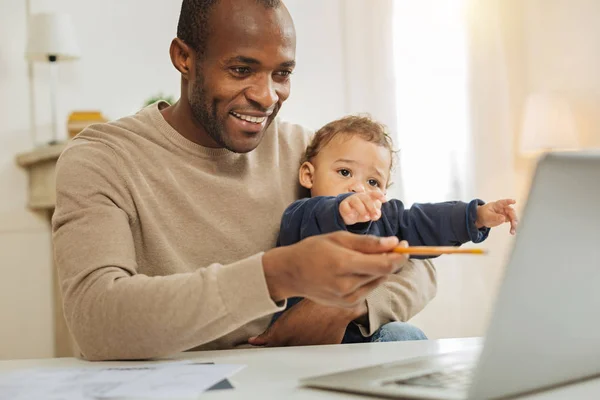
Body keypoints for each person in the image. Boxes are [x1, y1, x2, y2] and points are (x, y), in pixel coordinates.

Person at [52, 0, 437, 361]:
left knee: (407, 345)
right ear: (184, 58)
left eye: (282, 74)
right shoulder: (104, 157)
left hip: (293, 376)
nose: (267, 96)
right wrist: (277, 276)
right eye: (241, 70)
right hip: (180, 384)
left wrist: (350, 304)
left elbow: (415, 261)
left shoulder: (306, 152)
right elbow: (95, 317)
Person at [262, 116, 517, 344]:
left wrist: (476, 216)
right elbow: (323, 217)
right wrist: (342, 209)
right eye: (344, 172)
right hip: (307, 344)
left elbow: (423, 221)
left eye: (372, 181)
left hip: (364, 338)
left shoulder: (386, 219)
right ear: (308, 175)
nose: (358, 187)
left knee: (404, 334)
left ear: (383, 192)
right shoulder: (301, 214)